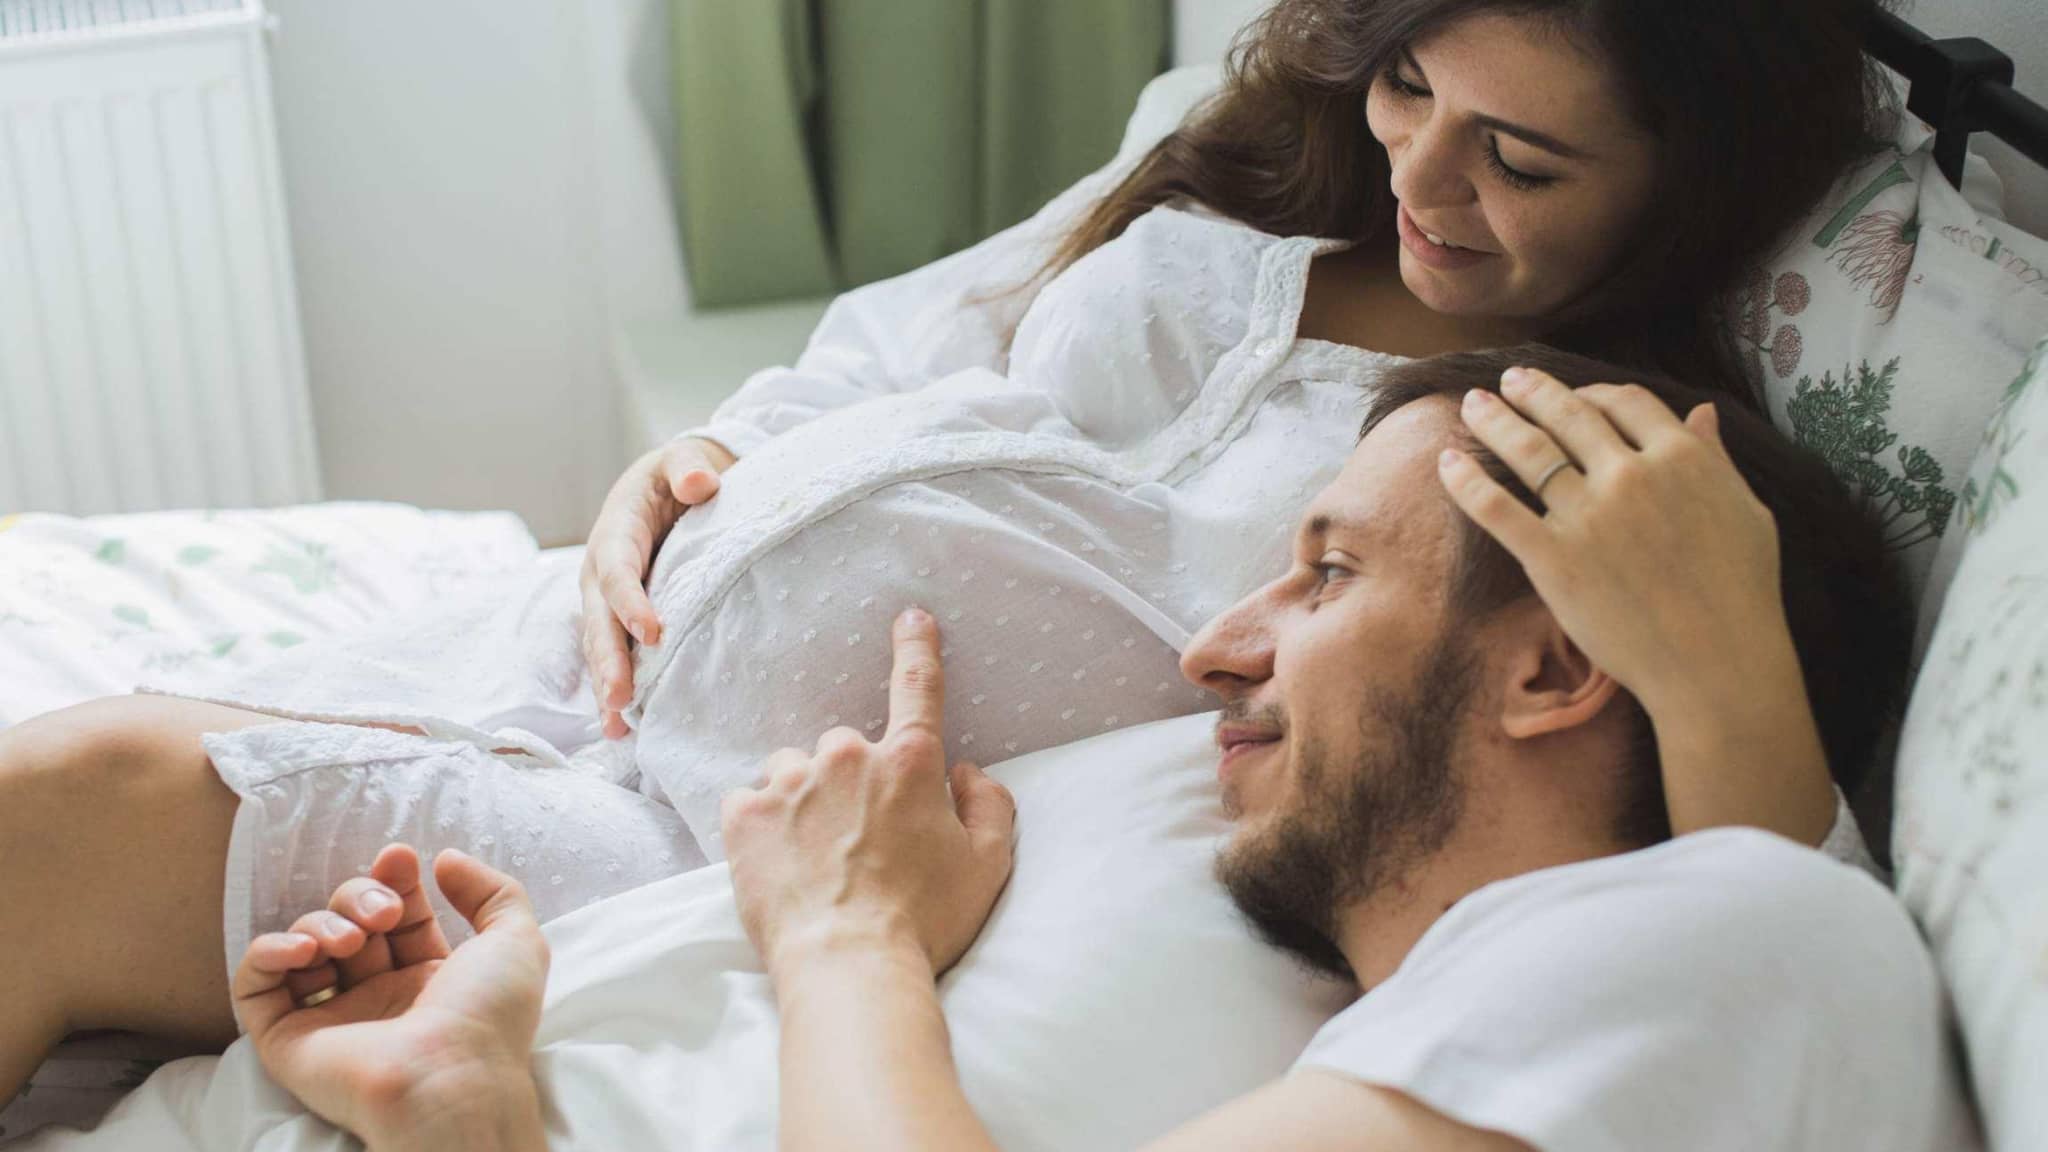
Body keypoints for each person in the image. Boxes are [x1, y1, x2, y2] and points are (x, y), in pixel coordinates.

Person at [0, 0, 1897, 1107]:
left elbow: (1744, 894)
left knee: (64, 811)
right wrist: (706, 461)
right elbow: (896, 346)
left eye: (1520, 160)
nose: (1421, 175)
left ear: (1688, 182)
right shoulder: (1260, 179)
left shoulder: (1592, 479)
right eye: (1409, 85)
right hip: (586, 661)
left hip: (707, 825)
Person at [216, 353, 1966, 1151]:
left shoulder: (1746, 943)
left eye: (1328, 574)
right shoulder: (1535, 998)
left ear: (1559, 667)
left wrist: (844, 934)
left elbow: (1770, 881)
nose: (1213, 650)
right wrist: (465, 1119)